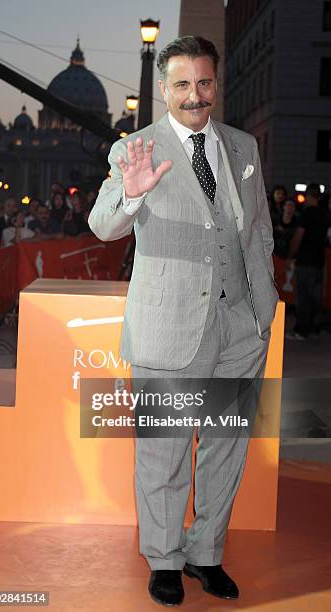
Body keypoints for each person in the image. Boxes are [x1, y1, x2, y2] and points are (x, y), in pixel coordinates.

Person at [88, 36, 278, 607]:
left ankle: (205, 554)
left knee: (225, 446)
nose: (195, 95)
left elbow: (259, 227)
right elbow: (102, 226)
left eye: (204, 82)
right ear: (164, 88)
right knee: (165, 450)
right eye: (182, 84)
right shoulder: (137, 148)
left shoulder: (243, 146)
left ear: (215, 85)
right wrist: (130, 193)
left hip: (240, 329)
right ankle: (165, 559)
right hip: (170, 329)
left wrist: (261, 303)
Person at [285, 183, 328, 339]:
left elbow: (298, 236)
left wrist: (290, 256)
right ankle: (312, 327)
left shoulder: (306, 214)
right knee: (315, 297)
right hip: (319, 261)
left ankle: (300, 330)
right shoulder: (325, 214)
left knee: (303, 296)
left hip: (305, 261)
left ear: (309, 195)